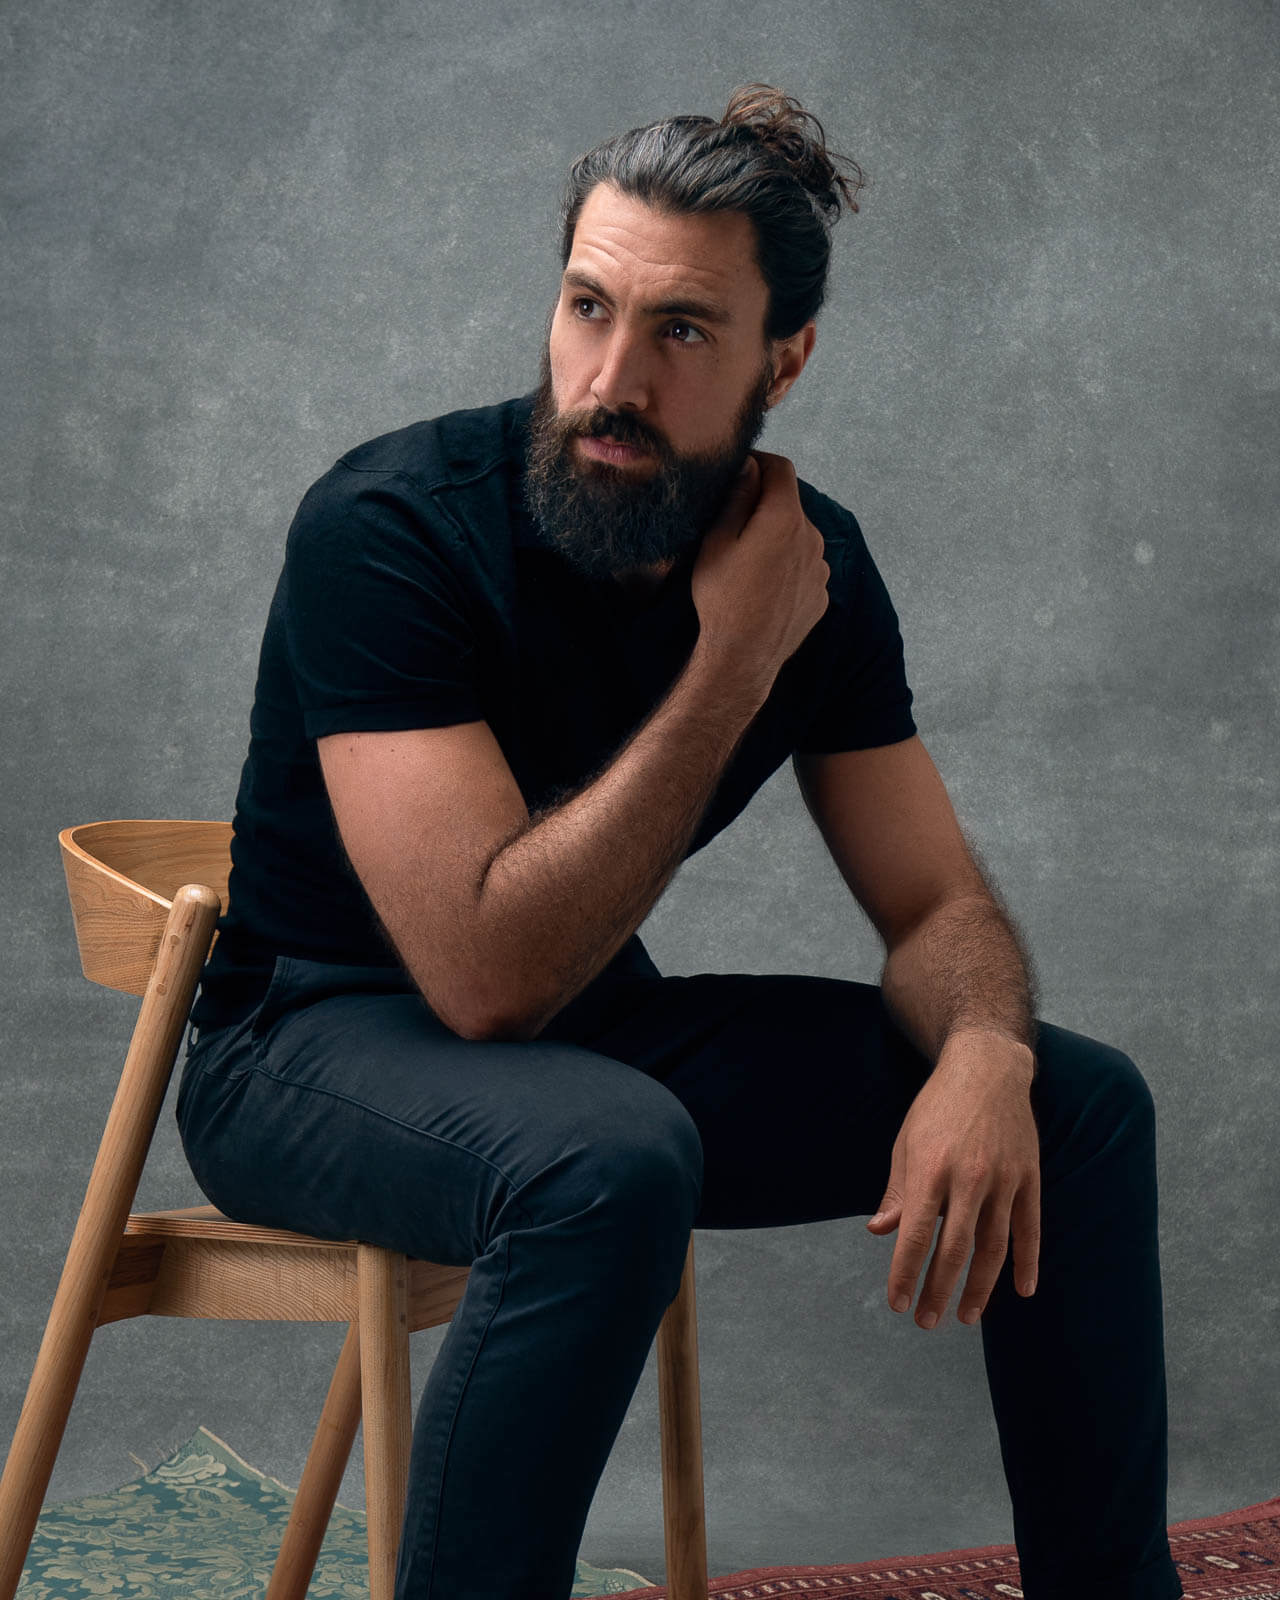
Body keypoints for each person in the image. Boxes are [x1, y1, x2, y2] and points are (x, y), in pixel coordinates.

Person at [175, 84, 1182, 1600]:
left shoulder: (814, 568)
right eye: (588, 308)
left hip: (589, 1040)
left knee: (1080, 1103)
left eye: (683, 332)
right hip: (307, 1042)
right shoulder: (388, 530)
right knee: (606, 1156)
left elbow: (932, 902)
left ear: (789, 358)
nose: (610, 378)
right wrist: (732, 667)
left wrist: (987, 1054)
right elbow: (486, 981)